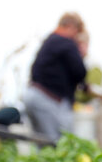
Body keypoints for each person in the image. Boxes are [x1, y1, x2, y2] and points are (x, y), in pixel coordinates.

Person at [23, 12, 87, 142]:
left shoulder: (49, 41)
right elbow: (80, 72)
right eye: (76, 32)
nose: (76, 36)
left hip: (32, 94)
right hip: (48, 99)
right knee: (57, 144)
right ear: (70, 26)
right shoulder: (66, 42)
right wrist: (82, 53)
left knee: (42, 144)